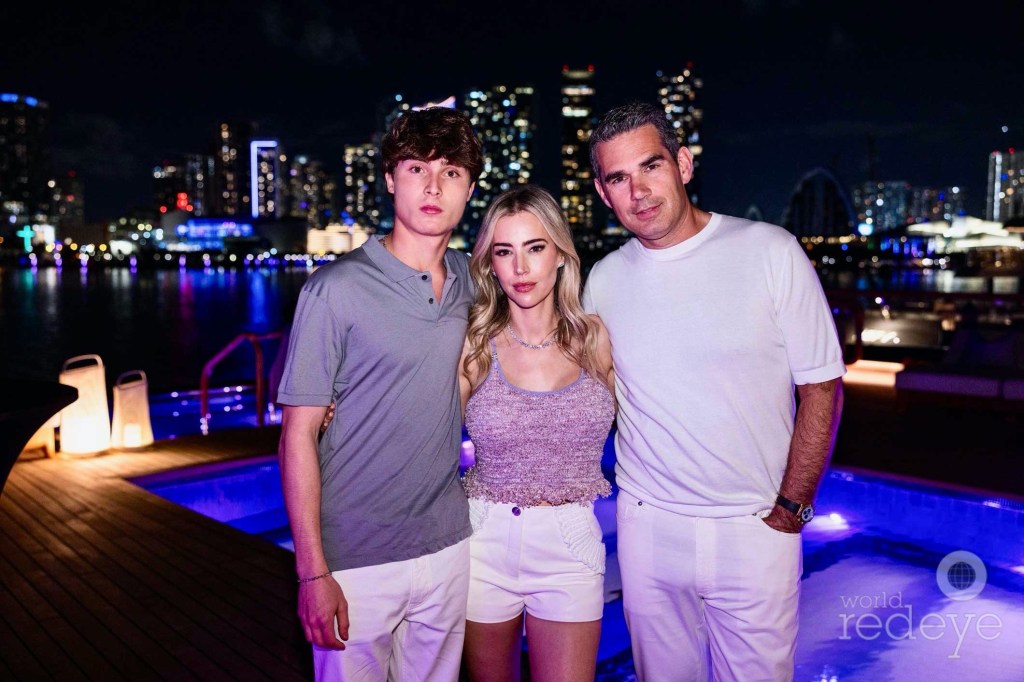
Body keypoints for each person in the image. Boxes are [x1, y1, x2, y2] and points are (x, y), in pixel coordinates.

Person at [582, 102, 845, 681]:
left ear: (683, 162)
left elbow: (822, 386)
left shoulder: (770, 251)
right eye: (618, 178)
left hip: (755, 527)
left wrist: (793, 506)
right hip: (649, 530)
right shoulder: (603, 280)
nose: (639, 191)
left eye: (650, 166)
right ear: (603, 194)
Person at [276, 106, 483, 681]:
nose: (434, 186)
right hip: (354, 559)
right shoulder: (334, 289)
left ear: (469, 188)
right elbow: (296, 435)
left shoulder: (476, 280)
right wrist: (313, 573)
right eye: (417, 168)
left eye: (451, 172)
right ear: (391, 179)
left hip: (447, 545)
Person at [458, 185, 615, 682]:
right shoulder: (475, 343)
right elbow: (421, 425)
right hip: (484, 540)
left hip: (570, 545)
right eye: (504, 252)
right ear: (491, 264)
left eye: (535, 248)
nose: (520, 268)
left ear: (561, 256)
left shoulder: (596, 338)